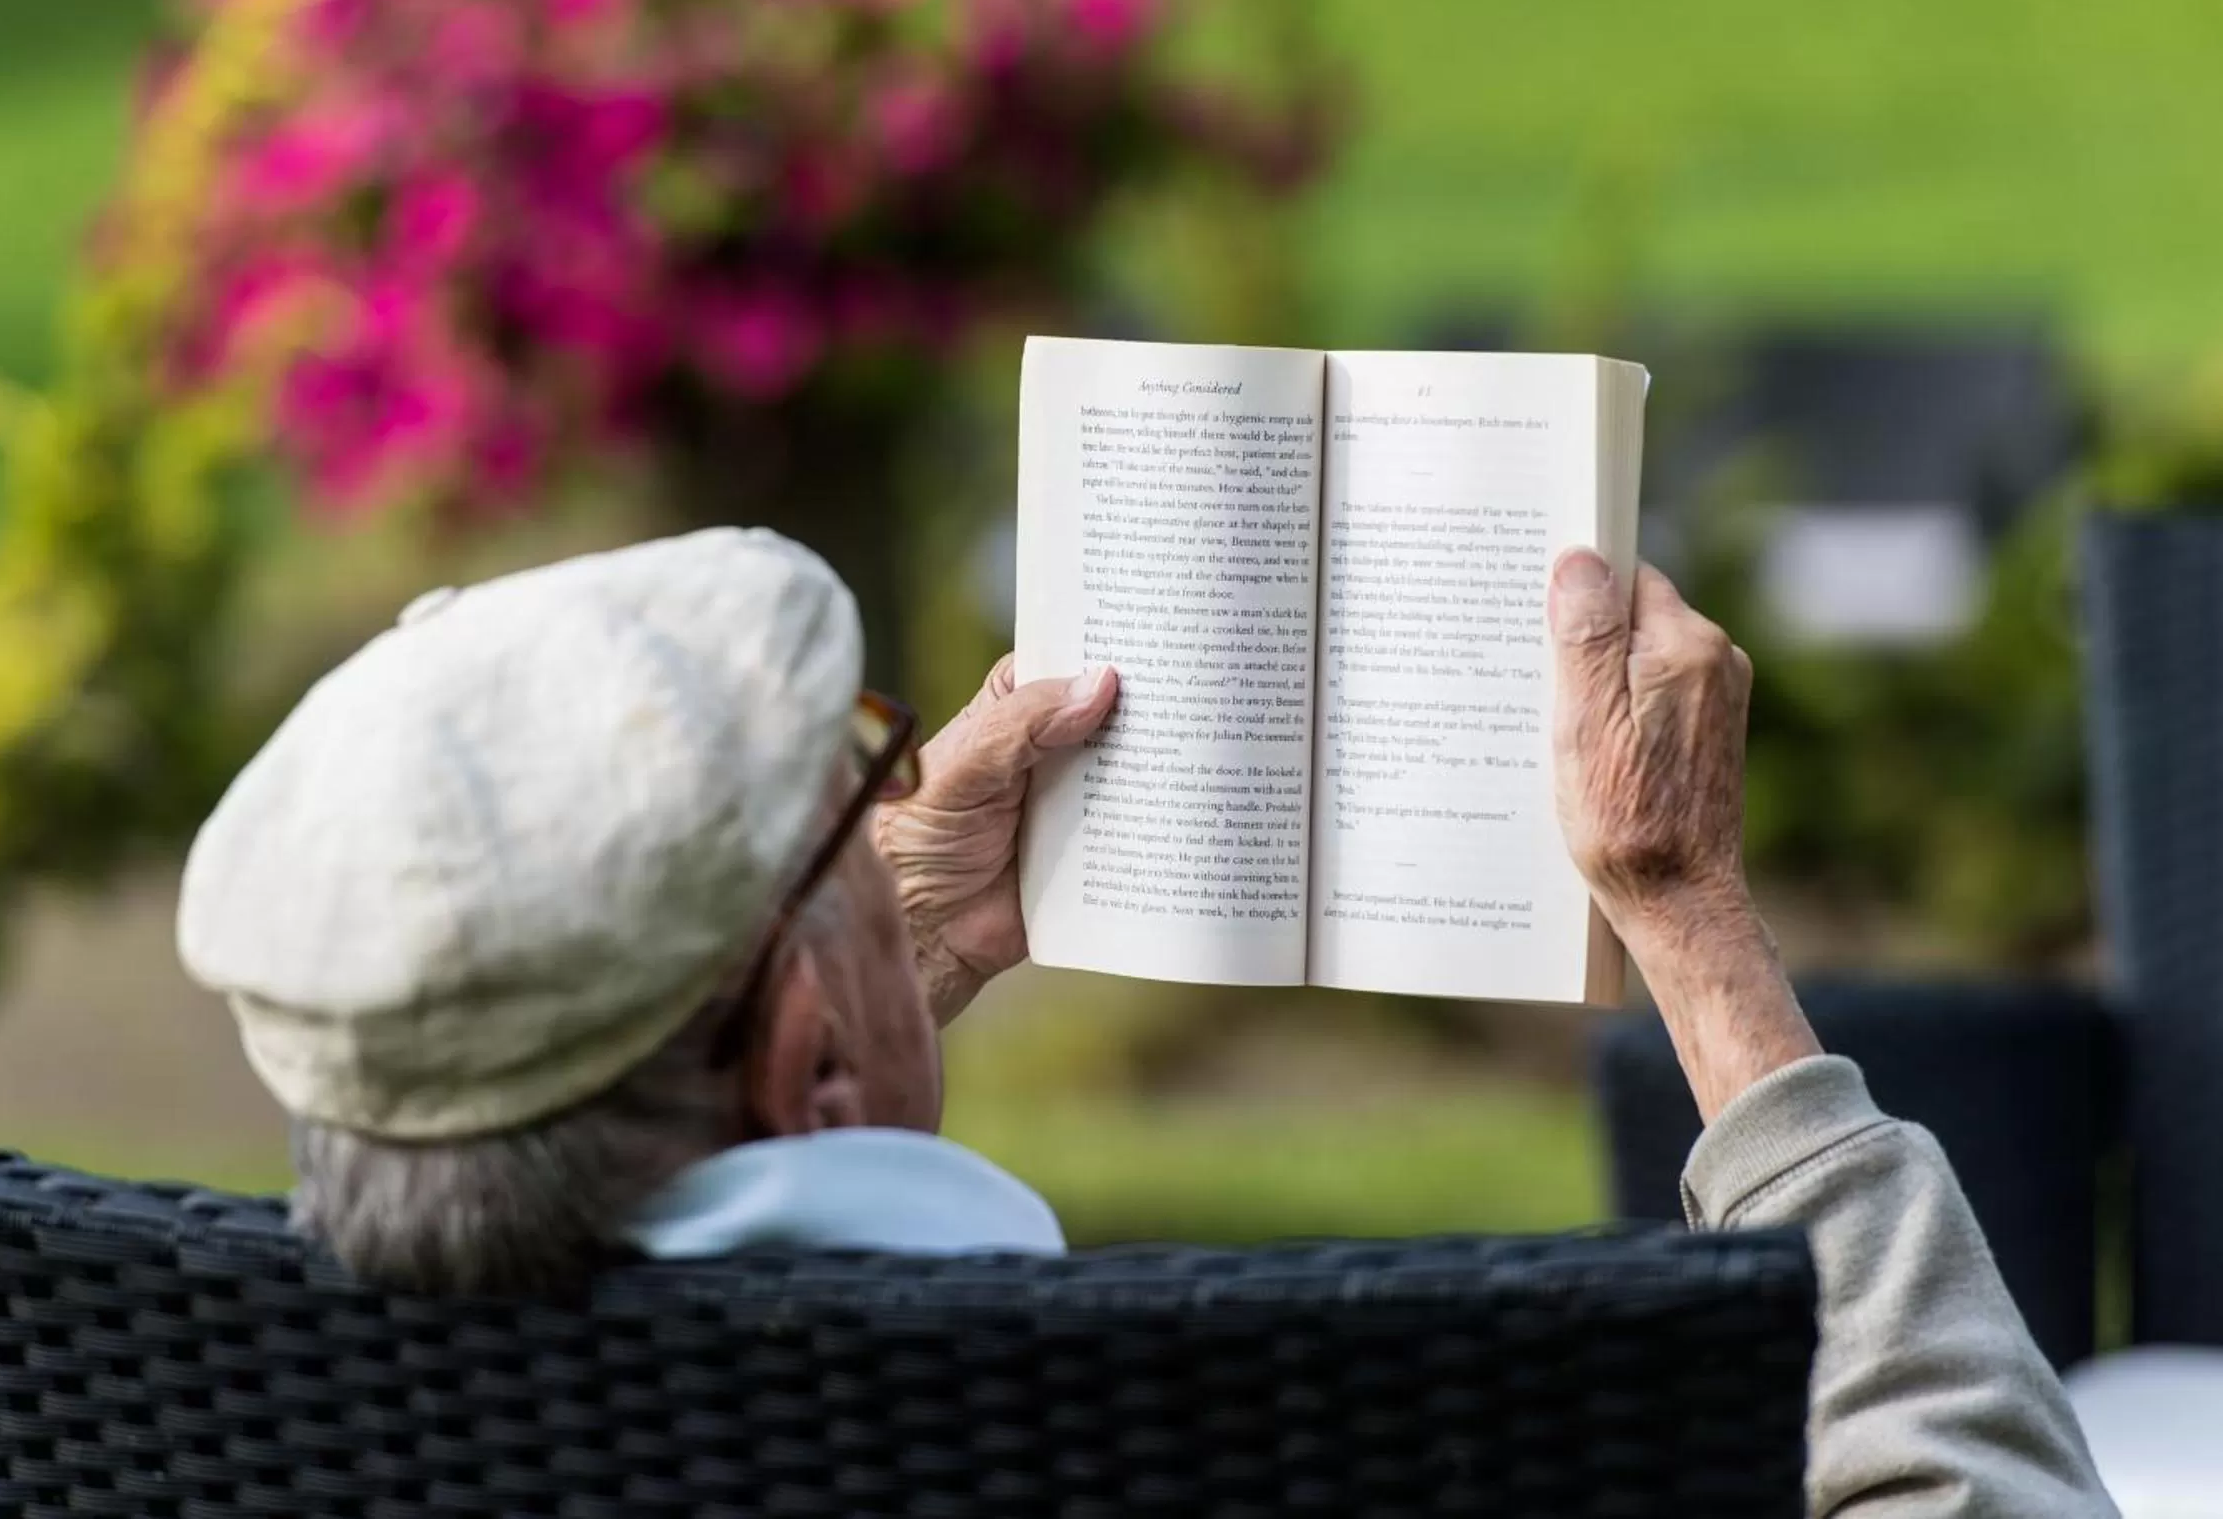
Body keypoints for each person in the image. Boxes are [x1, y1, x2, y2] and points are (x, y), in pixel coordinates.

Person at [178, 526, 2116, 1518]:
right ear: (793, 1061)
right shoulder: (1121, 1431)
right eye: (860, 793)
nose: (900, 796)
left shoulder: (229, 1415)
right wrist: (1686, 923)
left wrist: (879, 973)